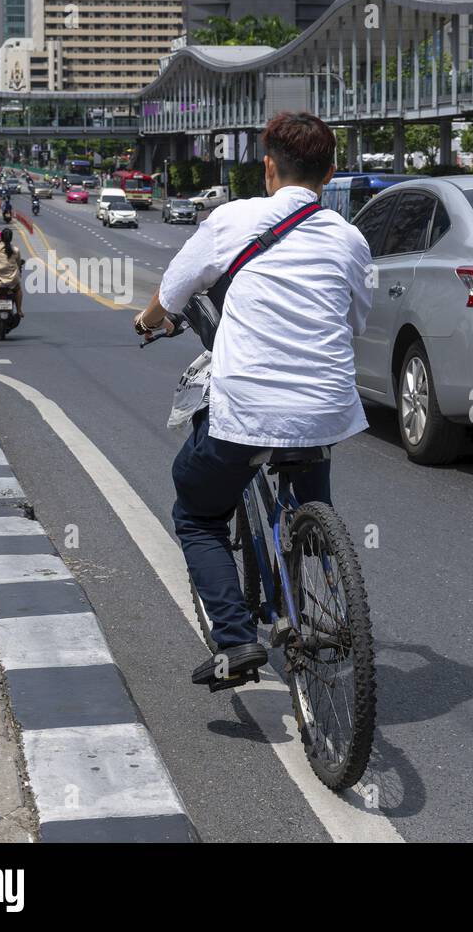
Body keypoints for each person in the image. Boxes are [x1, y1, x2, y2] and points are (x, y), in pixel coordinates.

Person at [132, 111, 373, 687]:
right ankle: (314, 568)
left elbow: (172, 294)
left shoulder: (231, 219)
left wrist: (148, 322)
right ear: (331, 173)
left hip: (246, 409)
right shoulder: (350, 237)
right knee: (307, 473)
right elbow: (356, 320)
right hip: (326, 410)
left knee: (196, 512)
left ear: (268, 168)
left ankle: (236, 642)